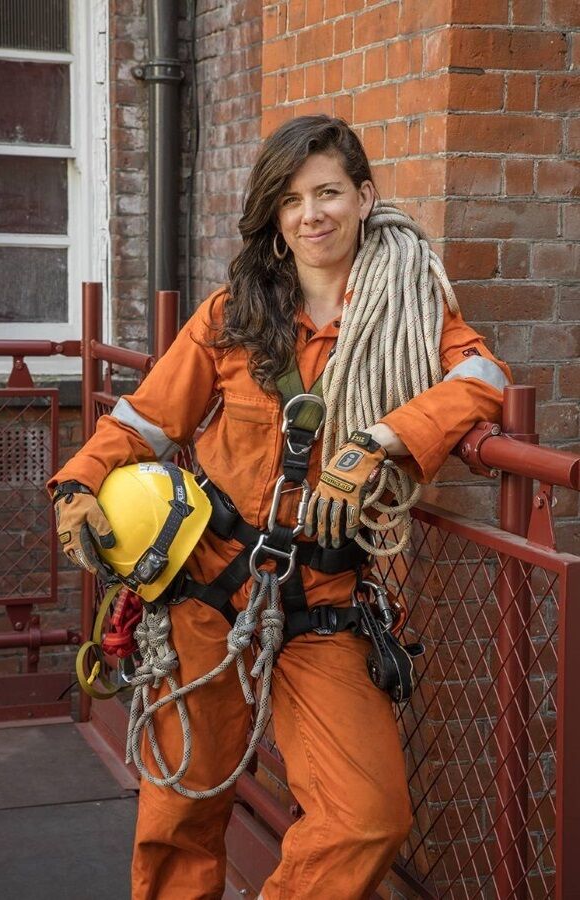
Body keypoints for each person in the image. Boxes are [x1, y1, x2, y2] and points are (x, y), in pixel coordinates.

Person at [49, 115, 511, 900]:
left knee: (368, 817)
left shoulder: (411, 312)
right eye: (292, 199)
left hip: (323, 605)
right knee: (179, 812)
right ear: (274, 214)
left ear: (365, 197)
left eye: (329, 191)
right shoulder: (234, 317)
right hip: (204, 588)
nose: (312, 214)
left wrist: (380, 441)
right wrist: (78, 483)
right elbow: (147, 419)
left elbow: (486, 382)